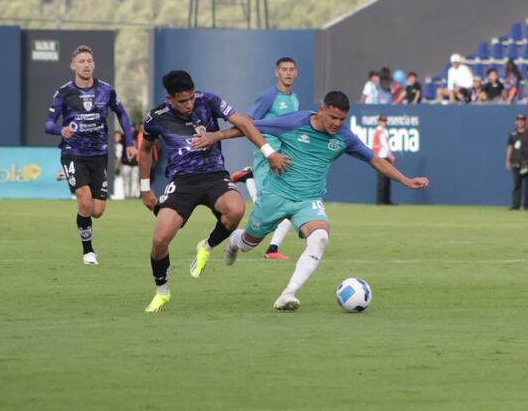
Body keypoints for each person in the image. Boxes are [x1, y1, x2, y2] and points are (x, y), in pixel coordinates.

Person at [201, 91, 429, 311]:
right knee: (249, 243)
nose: (337, 123)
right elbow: (248, 127)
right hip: (275, 195)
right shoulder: (293, 122)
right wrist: (216, 136)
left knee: (320, 238)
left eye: (342, 119)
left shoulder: (344, 137)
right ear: (321, 110)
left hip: (308, 200)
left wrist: (405, 180)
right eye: (333, 117)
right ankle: (234, 241)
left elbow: (374, 159)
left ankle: (288, 294)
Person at [137, 70, 289, 313]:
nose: (189, 105)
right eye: (182, 101)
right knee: (159, 240)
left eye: (190, 99)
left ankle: (206, 246)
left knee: (236, 209)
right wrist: (145, 187)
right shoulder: (156, 118)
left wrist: (268, 153)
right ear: (170, 99)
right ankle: (162, 292)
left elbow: (244, 124)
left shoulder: (209, 101)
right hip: (182, 181)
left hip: (214, 175)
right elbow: (145, 149)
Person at [44, 45, 136, 266]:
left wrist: (130, 143)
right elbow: (48, 124)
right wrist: (61, 130)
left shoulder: (106, 90)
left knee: (97, 211)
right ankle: (88, 252)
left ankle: (69, 175)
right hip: (73, 152)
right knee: (84, 204)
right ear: (73, 65)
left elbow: (121, 114)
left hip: (98, 155)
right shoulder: (64, 92)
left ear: (94, 65)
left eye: (89, 61)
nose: (86, 65)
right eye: (81, 61)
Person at [231, 57, 300, 260]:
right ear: (276, 73)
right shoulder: (269, 96)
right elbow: (248, 123)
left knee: (289, 202)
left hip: (284, 157)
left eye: (291, 69)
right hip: (267, 155)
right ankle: (249, 178)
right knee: (269, 205)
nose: (288, 73)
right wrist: (265, 149)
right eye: (284, 70)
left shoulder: (294, 99)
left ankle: (272, 249)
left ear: (296, 73)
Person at [506, 114, 528, 210]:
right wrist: (508, 160)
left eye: (522, 120)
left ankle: (527, 204)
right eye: (518, 120)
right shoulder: (513, 134)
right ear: (516, 121)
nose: (520, 122)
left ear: (525, 122)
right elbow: (510, 147)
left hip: (526, 162)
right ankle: (515, 205)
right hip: (515, 161)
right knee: (517, 184)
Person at [372, 115, 395, 205]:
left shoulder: (382, 131)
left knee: (387, 179)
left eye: (385, 121)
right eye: (382, 121)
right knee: (382, 180)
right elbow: (385, 145)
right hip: (381, 157)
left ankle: (386, 200)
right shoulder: (379, 132)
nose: (384, 123)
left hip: (384, 157)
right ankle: (380, 201)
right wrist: (391, 155)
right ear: (379, 122)